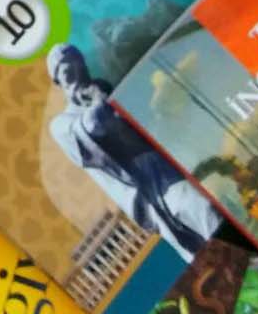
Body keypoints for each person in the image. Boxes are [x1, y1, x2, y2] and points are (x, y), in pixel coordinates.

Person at [45, 44, 213, 256]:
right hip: (147, 188)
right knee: (200, 209)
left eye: (81, 68)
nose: (78, 76)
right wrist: (99, 99)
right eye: (69, 73)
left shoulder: (106, 89)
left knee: (207, 211)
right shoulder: (62, 123)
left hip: (167, 161)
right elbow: (92, 129)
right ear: (58, 82)